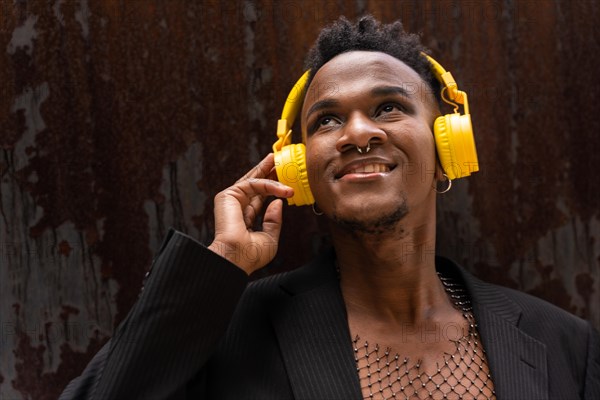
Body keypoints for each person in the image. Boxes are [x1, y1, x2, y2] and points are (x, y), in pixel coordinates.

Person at [60, 16, 599, 400]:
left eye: (388, 107)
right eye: (327, 121)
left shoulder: (563, 345)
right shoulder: (226, 332)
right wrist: (220, 263)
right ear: (300, 170)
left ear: (448, 148)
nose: (358, 133)